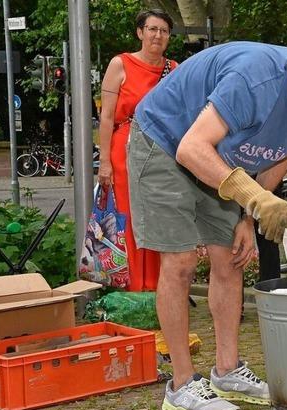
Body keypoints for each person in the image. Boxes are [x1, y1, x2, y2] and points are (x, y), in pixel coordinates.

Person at [127, 29, 287, 410]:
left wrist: (247, 216)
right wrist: (253, 196)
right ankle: (182, 385)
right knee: (183, 260)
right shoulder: (256, 78)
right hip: (166, 141)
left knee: (232, 259)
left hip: (217, 155)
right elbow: (191, 148)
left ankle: (227, 372)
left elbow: (279, 155)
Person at [97, 9, 177, 292]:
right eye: (152, 29)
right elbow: (106, 117)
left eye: (164, 31)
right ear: (140, 32)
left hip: (159, 150)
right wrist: (104, 161)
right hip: (125, 149)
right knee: (128, 216)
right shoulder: (120, 64)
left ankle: (158, 288)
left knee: (157, 216)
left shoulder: (175, 69)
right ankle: (132, 287)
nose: (158, 35)